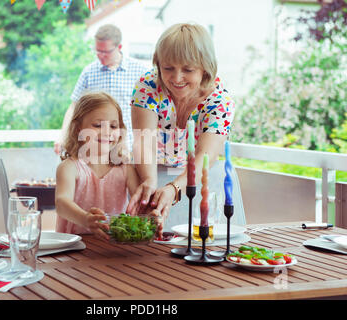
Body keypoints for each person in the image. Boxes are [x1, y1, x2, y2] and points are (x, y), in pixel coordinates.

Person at [126, 23, 241, 231]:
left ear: (205, 68)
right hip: (148, 175)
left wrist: (173, 189)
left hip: (201, 182)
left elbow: (205, 156)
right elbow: (144, 142)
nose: (176, 78)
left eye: (188, 70)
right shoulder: (148, 86)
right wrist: (150, 182)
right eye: (168, 68)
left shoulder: (219, 101)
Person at [55, 92, 153, 240]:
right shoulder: (69, 167)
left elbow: (140, 206)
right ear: (77, 128)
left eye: (113, 126)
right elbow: (62, 203)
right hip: (74, 248)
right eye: (98, 125)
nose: (107, 132)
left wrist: (151, 213)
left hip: (112, 248)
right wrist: (85, 219)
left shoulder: (126, 169)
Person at [56, 24, 148, 153]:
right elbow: (73, 107)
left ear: (119, 47)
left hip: (129, 146)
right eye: (98, 51)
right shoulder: (89, 71)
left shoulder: (141, 71)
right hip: (94, 148)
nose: (100, 55)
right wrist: (63, 137)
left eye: (106, 52)